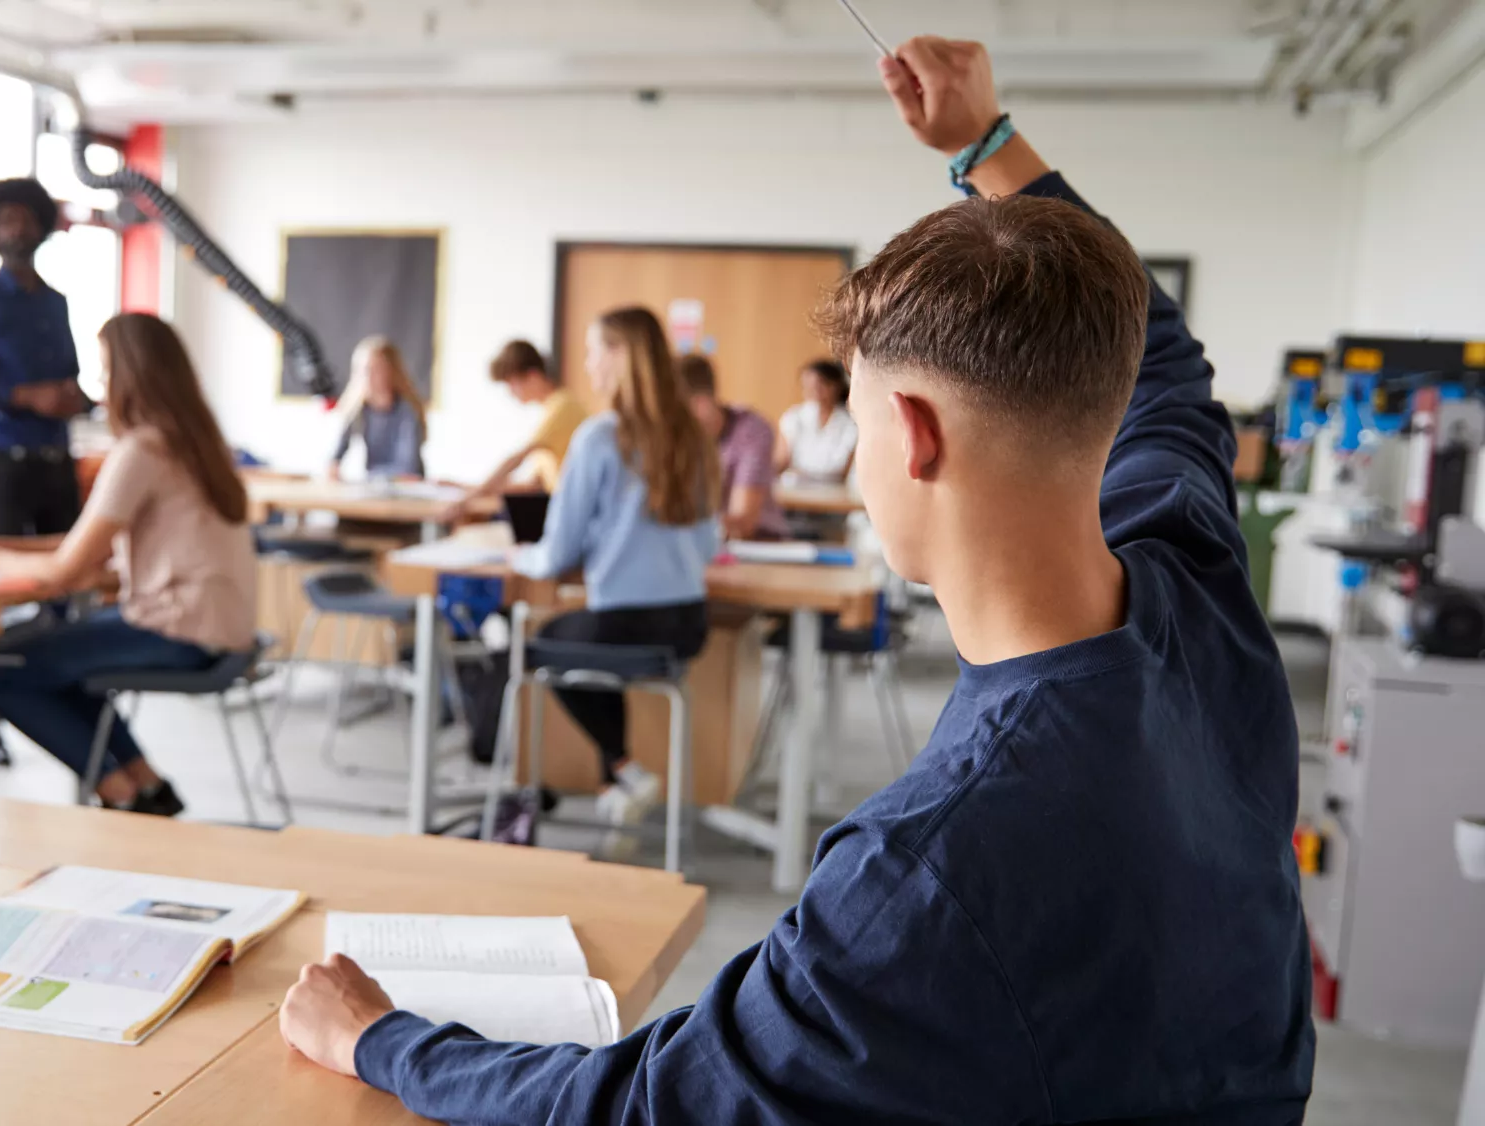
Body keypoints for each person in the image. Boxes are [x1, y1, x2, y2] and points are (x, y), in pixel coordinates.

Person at [277, 35, 1313, 1125]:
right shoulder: (1199, 586)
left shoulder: (924, 870)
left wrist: (379, 1038)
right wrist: (987, 146)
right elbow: (1155, 353)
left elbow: (640, 1109)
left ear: (910, 435)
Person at [0, 313, 256, 816]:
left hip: (180, 629)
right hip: (215, 624)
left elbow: (68, 572)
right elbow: (84, 545)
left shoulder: (143, 450)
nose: (100, 389)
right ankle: (145, 785)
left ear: (132, 378)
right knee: (46, 657)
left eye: (106, 374)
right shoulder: (194, 444)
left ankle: (123, 797)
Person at [506, 308, 719, 849]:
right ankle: (616, 789)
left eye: (593, 350)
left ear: (620, 356)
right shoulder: (691, 435)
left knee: (547, 643)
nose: (586, 363)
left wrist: (520, 557)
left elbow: (557, 553)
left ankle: (626, 770)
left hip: (622, 625)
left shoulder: (599, 437)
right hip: (688, 625)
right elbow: (709, 542)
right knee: (591, 647)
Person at [0, 178, 87, 537]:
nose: (19, 229)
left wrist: (76, 399)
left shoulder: (55, 303)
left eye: (27, 219)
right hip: (2, 463)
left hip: (57, 462)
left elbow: (71, 372)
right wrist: (23, 396)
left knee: (64, 577)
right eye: (8, 220)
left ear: (41, 228)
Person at [439, 340, 585, 521]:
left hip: (566, 510)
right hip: (555, 503)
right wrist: (466, 487)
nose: (511, 392)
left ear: (533, 376)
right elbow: (532, 485)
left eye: (512, 384)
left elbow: (516, 459)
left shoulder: (562, 406)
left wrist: (468, 499)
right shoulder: (551, 410)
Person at [678, 353, 789, 541]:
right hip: (702, 546)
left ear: (701, 405)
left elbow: (743, 522)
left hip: (760, 545)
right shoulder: (673, 437)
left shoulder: (751, 430)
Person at [325, 336, 427, 481]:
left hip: (408, 491)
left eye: (376, 369)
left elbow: (408, 468)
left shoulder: (408, 411)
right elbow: (336, 454)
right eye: (363, 370)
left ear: (392, 371)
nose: (368, 377)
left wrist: (371, 478)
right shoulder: (358, 409)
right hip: (375, 486)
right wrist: (333, 467)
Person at [775, 357, 857, 484]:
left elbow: (846, 471)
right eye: (807, 386)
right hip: (794, 491)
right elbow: (782, 460)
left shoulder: (851, 423)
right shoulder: (793, 417)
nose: (814, 391)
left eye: (820, 385)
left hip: (835, 493)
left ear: (836, 386)